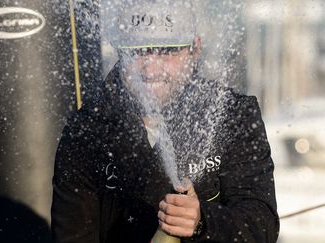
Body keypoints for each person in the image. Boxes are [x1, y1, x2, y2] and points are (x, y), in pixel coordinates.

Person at [51, 0, 279, 242]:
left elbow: (261, 226)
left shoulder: (232, 115)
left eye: (168, 50)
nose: (150, 69)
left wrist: (203, 221)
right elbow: (72, 236)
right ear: (119, 52)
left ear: (195, 49)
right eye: (137, 51)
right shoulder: (87, 130)